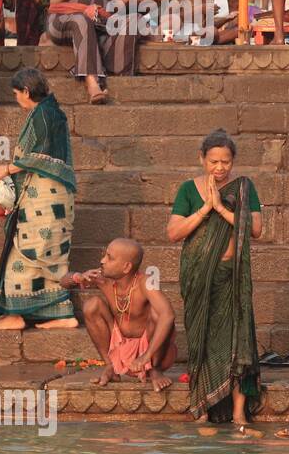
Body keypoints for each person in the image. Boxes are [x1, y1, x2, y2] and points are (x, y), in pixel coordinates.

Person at [166, 129, 263, 426]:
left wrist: (221, 207)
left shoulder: (244, 187)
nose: (220, 168)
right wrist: (205, 209)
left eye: (225, 162)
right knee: (202, 340)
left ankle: (237, 413)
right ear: (202, 159)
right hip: (199, 278)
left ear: (233, 161)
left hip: (232, 279)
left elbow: (255, 229)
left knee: (238, 341)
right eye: (213, 162)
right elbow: (173, 233)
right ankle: (202, 410)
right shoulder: (187, 190)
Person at [0, 68, 78, 331]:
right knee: (49, 256)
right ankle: (62, 314)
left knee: (24, 254)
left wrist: (7, 169)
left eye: (16, 94)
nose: (17, 99)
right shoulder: (52, 111)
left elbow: (40, 155)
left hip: (45, 200)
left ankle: (17, 316)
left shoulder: (45, 114)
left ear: (26, 92)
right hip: (53, 199)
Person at [62, 238, 177, 391]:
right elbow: (63, 282)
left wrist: (146, 356)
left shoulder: (146, 282)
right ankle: (111, 367)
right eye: (105, 255)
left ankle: (154, 370)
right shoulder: (103, 279)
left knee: (158, 313)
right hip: (119, 344)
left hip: (150, 351)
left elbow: (168, 315)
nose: (102, 260)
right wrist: (78, 277)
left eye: (109, 257)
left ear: (126, 267)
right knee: (92, 305)